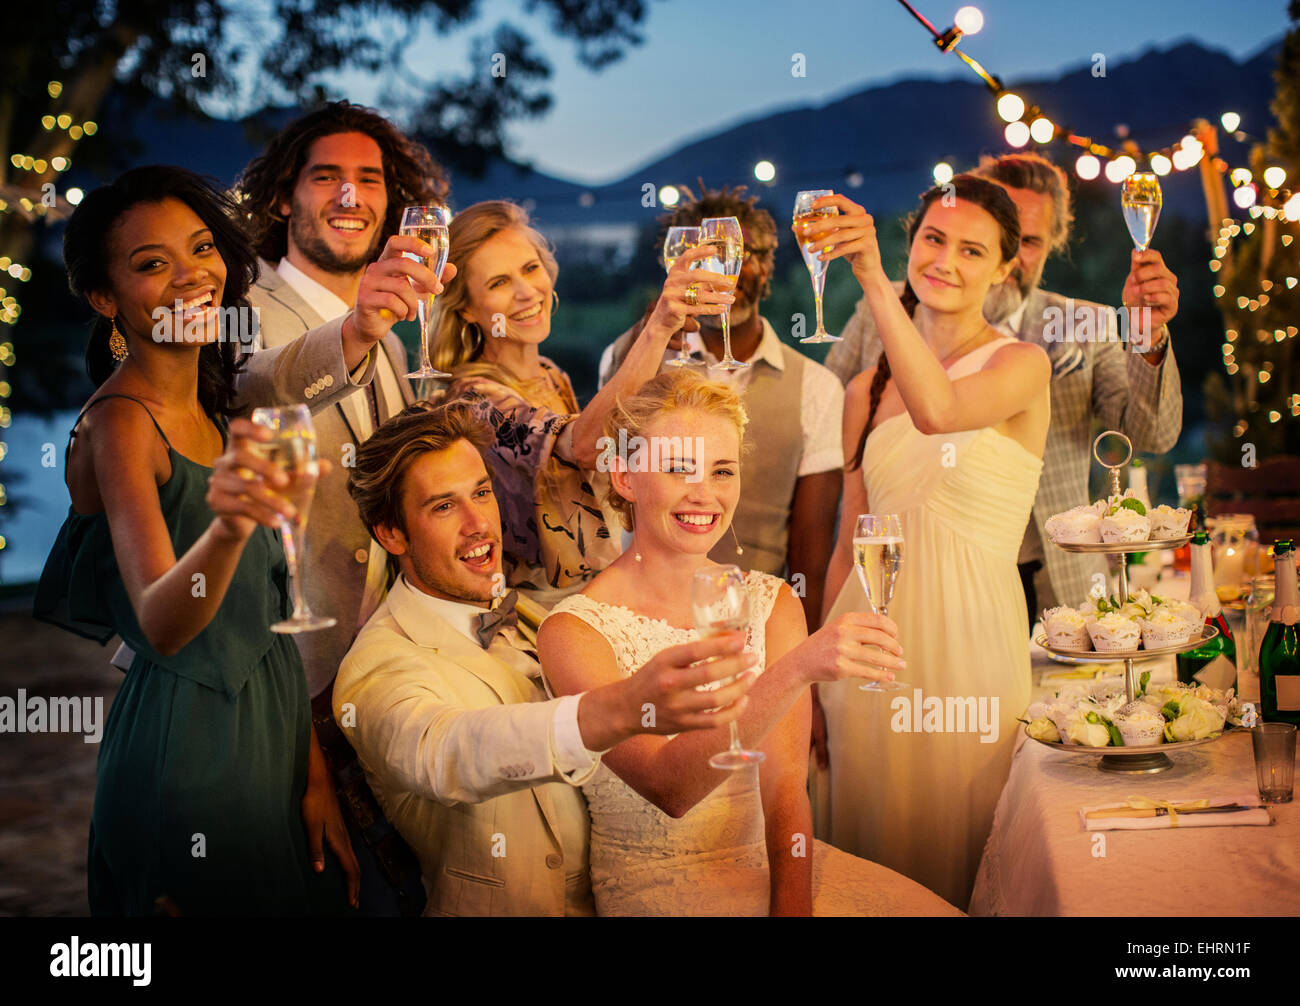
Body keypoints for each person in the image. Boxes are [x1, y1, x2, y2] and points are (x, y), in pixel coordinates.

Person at [33, 166, 357, 915]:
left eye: (202, 249)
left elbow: (263, 628)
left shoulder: (215, 409)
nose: (191, 277)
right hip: (192, 754)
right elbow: (161, 625)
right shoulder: (118, 426)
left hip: (273, 738)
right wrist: (232, 525)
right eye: (152, 264)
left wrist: (310, 774)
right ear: (104, 299)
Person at [539, 369, 963, 917]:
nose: (705, 494)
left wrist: (792, 909)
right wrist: (794, 671)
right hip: (658, 891)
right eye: (677, 469)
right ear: (624, 477)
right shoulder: (574, 631)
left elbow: (786, 792)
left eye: (722, 471)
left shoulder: (772, 602)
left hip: (772, 869)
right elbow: (669, 788)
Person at [333, 400, 763, 916]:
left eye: (481, 493)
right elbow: (446, 754)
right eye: (443, 507)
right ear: (391, 534)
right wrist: (616, 711)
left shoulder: (544, 617)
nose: (478, 525)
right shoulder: (377, 666)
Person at [233, 101, 455, 914]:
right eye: (326, 176)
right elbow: (254, 390)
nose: (350, 196)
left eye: (370, 180)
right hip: (269, 680)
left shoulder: (396, 341)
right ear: (285, 197)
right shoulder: (234, 304)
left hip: (371, 677)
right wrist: (356, 328)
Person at [812, 176, 1049, 909]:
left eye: (972, 250)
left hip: (974, 645)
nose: (945, 260)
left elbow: (940, 412)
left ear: (1005, 269)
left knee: (969, 843)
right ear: (913, 239)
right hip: (870, 646)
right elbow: (849, 539)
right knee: (870, 857)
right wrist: (816, 672)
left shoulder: (1021, 366)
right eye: (934, 239)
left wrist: (874, 282)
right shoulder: (860, 394)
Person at [825, 152, 1183, 617]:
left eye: (1029, 240)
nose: (1016, 260)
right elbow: (828, 425)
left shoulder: (1079, 324)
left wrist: (1147, 333)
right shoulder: (883, 312)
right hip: (899, 581)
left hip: (1046, 583)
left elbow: (1151, 435)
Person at [430, 200, 732, 609]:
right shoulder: (474, 398)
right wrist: (658, 328)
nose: (525, 292)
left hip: (595, 598)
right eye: (498, 283)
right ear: (466, 307)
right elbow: (585, 445)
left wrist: (650, 332)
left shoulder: (550, 375)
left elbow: (603, 435)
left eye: (530, 268)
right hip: (528, 617)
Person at [595, 183, 845, 627]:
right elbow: (599, 476)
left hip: (752, 621)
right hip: (639, 611)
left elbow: (812, 551)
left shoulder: (818, 387)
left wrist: (800, 659)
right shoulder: (630, 357)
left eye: (741, 256)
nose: (724, 273)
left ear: (767, 267)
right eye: (703, 258)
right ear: (675, 268)